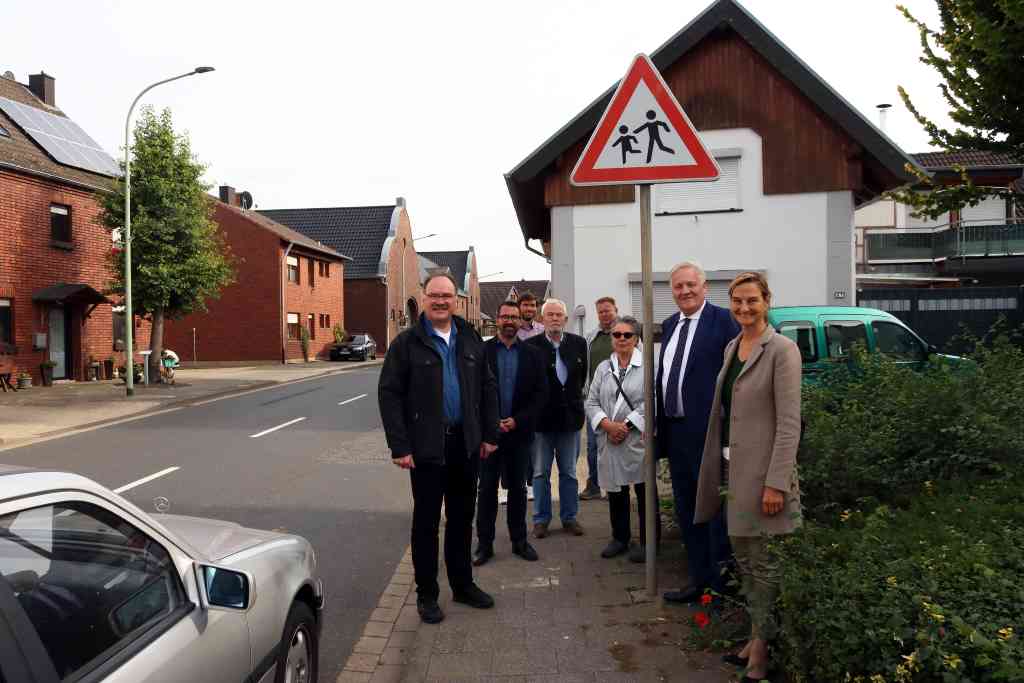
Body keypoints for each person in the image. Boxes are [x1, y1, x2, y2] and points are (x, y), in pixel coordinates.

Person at [694, 272, 802, 680]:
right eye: (737, 301)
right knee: (745, 560)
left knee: (765, 565)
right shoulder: (732, 347)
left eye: (752, 300)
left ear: (767, 300)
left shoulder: (783, 350)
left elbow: (790, 424)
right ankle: (757, 634)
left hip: (764, 477)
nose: (743, 308)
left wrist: (776, 482)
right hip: (731, 472)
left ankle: (761, 651)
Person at [378, 272, 500, 624]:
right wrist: (400, 446)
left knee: (462, 520)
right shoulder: (407, 344)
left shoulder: (470, 338)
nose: (441, 301)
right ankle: (426, 595)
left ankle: (462, 586)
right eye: (435, 295)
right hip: (427, 448)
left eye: (447, 295)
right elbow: (389, 395)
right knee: (427, 524)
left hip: (466, 445)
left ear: (456, 300)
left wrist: (489, 434)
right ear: (425, 297)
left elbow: (488, 388)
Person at [656, 261, 740, 604]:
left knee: (714, 510)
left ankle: (720, 586)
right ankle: (698, 579)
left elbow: (737, 376)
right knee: (687, 507)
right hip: (676, 433)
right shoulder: (669, 324)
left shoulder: (724, 321)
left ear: (705, 287)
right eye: (678, 286)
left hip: (709, 434)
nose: (685, 291)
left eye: (691, 285)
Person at [474, 301, 548, 566]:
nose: (509, 321)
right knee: (486, 491)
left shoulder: (533, 354)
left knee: (518, 488)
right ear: (497, 319)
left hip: (519, 434)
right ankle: (484, 545)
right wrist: (491, 423)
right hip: (489, 437)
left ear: (520, 321)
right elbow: (473, 394)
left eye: (514, 317)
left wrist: (517, 421)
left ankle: (519, 541)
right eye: (504, 316)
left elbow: (541, 395)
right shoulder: (481, 352)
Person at [585, 316, 661, 563]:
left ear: (637, 338)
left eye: (627, 335)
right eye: (616, 335)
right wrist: (608, 425)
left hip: (636, 439)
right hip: (610, 438)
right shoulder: (603, 368)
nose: (621, 339)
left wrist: (625, 426)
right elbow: (591, 400)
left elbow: (651, 401)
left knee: (644, 491)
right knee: (616, 491)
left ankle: (650, 541)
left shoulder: (648, 365)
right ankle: (620, 538)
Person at [527, 298, 588, 538]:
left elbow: (581, 378)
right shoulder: (531, 346)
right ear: (542, 319)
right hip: (541, 422)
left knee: (569, 472)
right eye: (549, 314)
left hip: (570, 420)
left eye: (558, 315)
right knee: (540, 472)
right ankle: (541, 520)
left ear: (565, 319)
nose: (554, 318)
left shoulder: (579, 344)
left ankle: (569, 517)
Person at [581, 296, 619, 500]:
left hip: (619, 399)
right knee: (594, 445)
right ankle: (594, 485)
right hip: (594, 400)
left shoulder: (624, 334)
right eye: (601, 311)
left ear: (616, 310)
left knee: (617, 442)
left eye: (608, 310)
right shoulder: (590, 337)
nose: (605, 314)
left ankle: (615, 485)